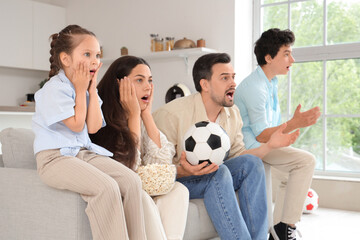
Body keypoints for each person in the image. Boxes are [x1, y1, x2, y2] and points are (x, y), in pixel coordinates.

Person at [153, 53, 301, 240]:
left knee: (252, 163)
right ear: (204, 84)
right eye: (224, 78)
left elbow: (239, 156)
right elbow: (155, 169)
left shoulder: (233, 112)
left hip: (212, 172)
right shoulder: (171, 114)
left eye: (233, 77)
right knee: (219, 172)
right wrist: (183, 170)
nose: (232, 83)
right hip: (180, 180)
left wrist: (270, 145)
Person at [32, 25, 147, 240]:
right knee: (107, 187)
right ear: (65, 59)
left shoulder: (86, 88)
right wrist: (79, 89)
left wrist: (91, 91)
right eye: (87, 54)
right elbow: (76, 125)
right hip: (54, 159)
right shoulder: (53, 90)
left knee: (132, 181)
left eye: (97, 55)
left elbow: (93, 126)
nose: (94, 61)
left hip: (82, 154)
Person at [90, 55, 189, 240]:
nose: (148, 87)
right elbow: (128, 169)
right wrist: (134, 116)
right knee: (142, 196)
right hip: (120, 190)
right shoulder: (101, 118)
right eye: (139, 80)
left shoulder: (140, 117)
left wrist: (146, 115)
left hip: (138, 188)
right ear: (120, 85)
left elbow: (161, 165)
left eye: (150, 80)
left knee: (178, 190)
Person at [234, 28, 320, 240]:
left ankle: (277, 230)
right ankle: (284, 227)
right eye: (286, 53)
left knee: (288, 176)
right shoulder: (255, 87)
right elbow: (262, 135)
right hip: (251, 146)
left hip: (265, 142)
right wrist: (294, 123)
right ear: (268, 57)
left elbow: (270, 129)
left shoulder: (270, 82)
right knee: (306, 161)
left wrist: (289, 130)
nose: (292, 59)